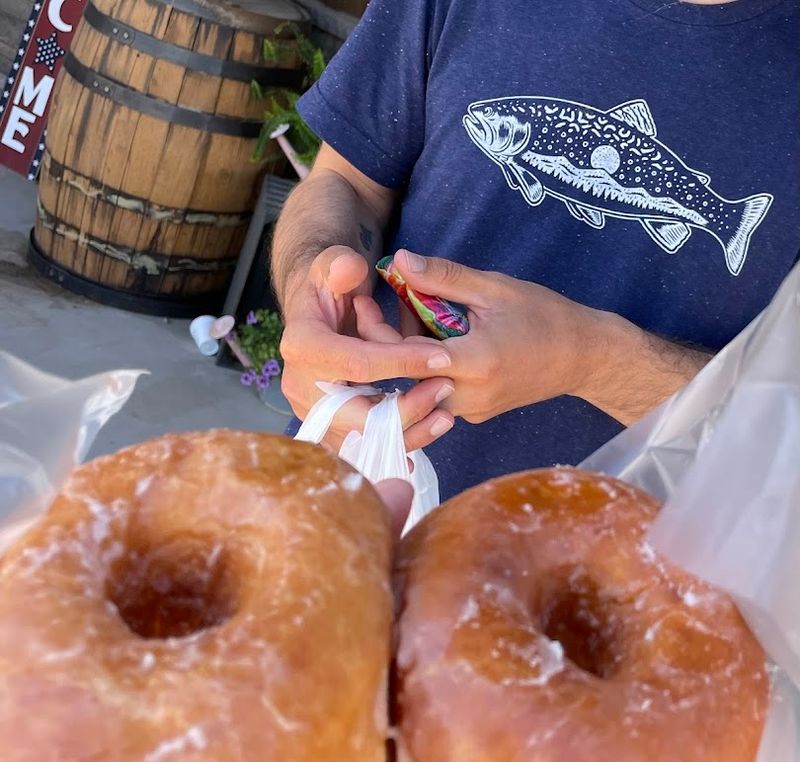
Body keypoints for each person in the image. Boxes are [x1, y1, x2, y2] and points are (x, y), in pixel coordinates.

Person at [272, 0, 799, 501]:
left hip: (616, 579)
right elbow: (347, 182)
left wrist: (593, 361)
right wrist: (309, 284)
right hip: (350, 494)